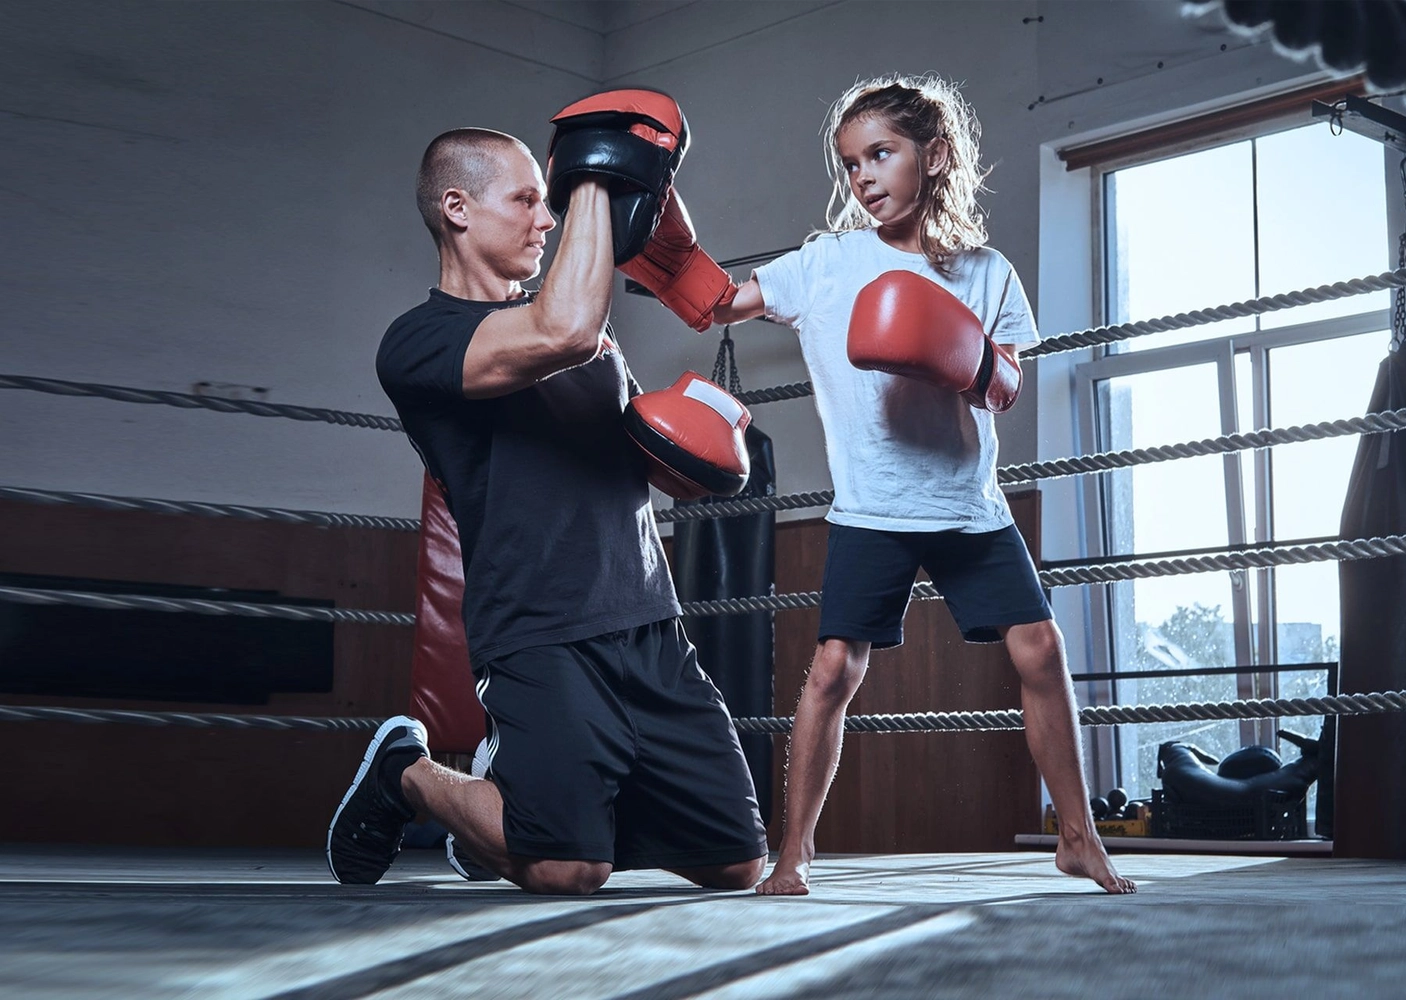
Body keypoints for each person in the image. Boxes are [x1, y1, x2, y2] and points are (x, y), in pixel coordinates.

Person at [707, 74, 1135, 895]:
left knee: (1041, 651)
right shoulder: (828, 261)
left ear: (932, 156)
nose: (863, 177)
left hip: (969, 504)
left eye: (880, 154)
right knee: (835, 668)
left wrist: (955, 352)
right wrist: (659, 250)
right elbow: (727, 303)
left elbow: (1007, 382)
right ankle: (792, 852)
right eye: (850, 164)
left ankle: (1078, 836)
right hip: (873, 507)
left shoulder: (986, 273)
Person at [326, 97, 767, 895]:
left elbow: (629, 453)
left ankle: (509, 817)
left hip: (647, 621)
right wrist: (598, 174)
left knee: (735, 860)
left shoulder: (596, 343)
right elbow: (555, 331)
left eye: (550, 197)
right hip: (541, 626)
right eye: (528, 198)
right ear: (457, 209)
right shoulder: (420, 342)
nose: (547, 217)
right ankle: (409, 774)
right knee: (566, 869)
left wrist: (693, 443)